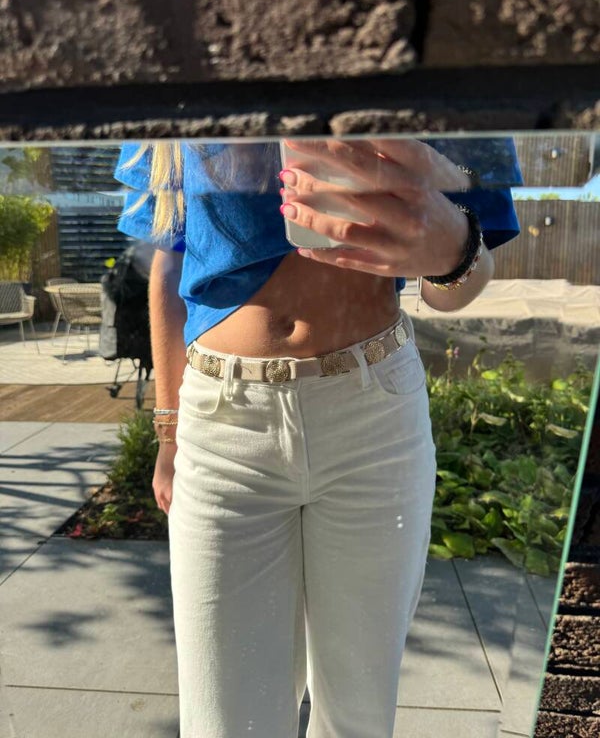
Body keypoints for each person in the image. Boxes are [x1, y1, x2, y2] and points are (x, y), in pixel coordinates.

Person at [115, 138, 520, 738]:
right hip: (223, 423)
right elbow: (168, 264)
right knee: (225, 723)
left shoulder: (432, 82)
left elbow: (459, 278)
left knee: (359, 715)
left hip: (373, 416)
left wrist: (453, 249)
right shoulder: (181, 88)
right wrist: (169, 433)